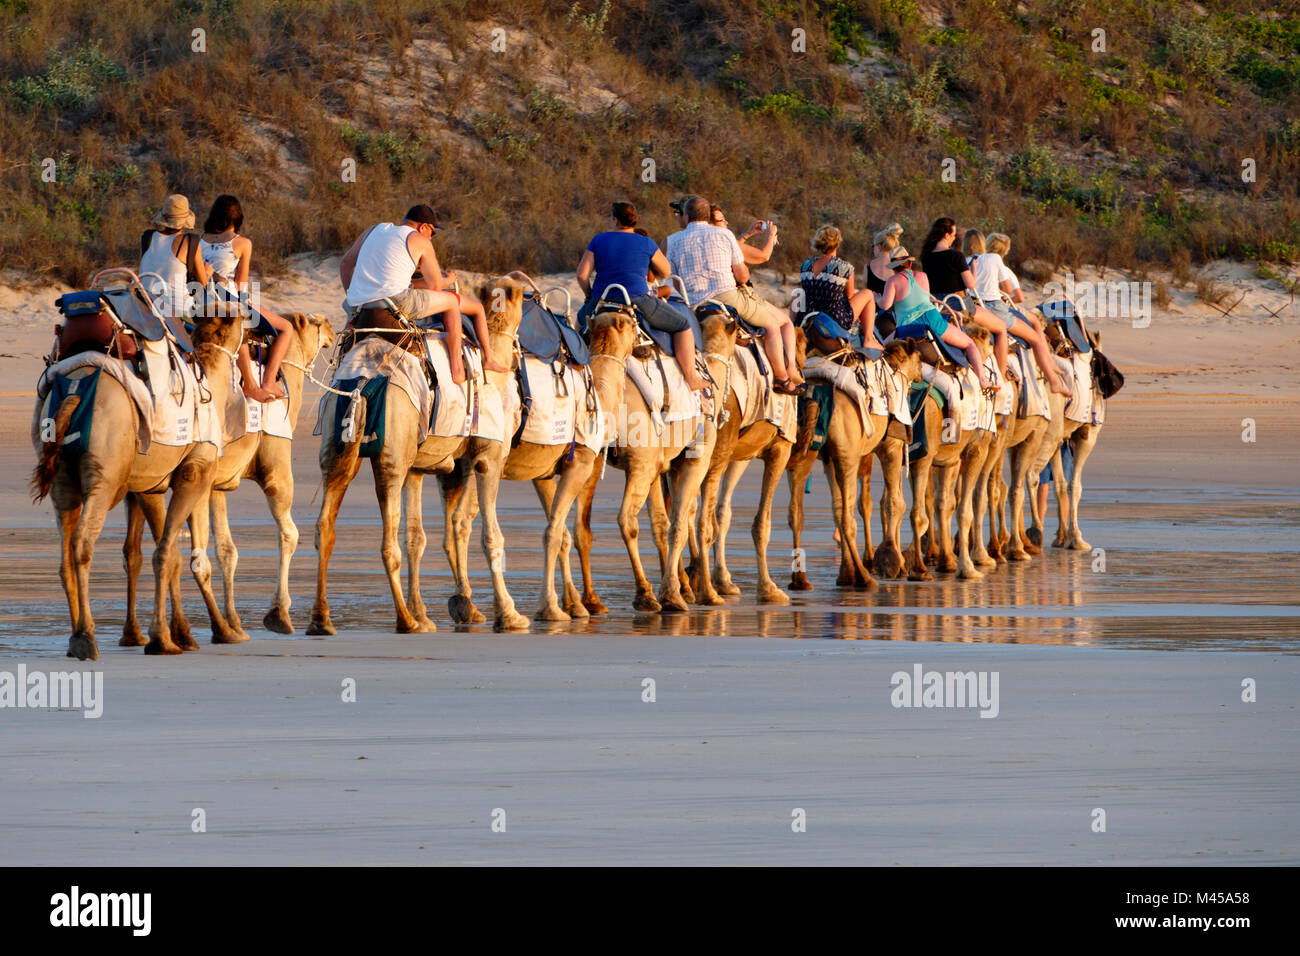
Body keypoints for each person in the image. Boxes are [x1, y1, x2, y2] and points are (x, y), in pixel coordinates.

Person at [339, 204, 504, 383]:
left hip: (359, 305)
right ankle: (460, 369)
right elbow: (435, 287)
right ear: (423, 227)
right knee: (451, 301)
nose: (431, 239)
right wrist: (449, 279)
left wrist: (354, 297)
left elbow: (345, 264)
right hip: (397, 302)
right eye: (432, 233)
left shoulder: (374, 229)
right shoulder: (419, 240)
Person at [665, 195, 804, 394]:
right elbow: (742, 274)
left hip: (693, 304)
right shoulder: (725, 235)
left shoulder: (672, 241)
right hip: (727, 297)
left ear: (686, 217)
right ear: (708, 216)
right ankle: (782, 378)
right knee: (773, 326)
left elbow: (673, 280)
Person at [920, 216, 1069, 396]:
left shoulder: (927, 257)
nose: (954, 237)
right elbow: (971, 285)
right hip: (961, 305)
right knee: (1000, 329)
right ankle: (1001, 374)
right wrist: (973, 268)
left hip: (939, 306)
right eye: (953, 233)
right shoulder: (955, 256)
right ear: (946, 233)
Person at [576, 202, 706, 390]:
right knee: (682, 326)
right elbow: (666, 271)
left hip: (602, 300)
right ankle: (692, 378)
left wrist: (590, 297)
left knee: (578, 326)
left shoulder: (599, 240)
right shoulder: (645, 242)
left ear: (614, 220)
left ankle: (576, 367)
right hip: (637, 300)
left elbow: (581, 275)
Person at [197, 195, 295, 402]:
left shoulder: (199, 240)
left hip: (199, 297)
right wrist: (247, 303)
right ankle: (263, 381)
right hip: (227, 299)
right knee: (286, 328)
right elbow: (241, 283)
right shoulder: (242, 243)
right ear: (238, 218)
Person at [964, 228, 1072, 398]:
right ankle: (1054, 381)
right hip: (995, 307)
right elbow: (1007, 289)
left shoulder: (965, 260)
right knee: (1035, 337)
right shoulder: (994, 258)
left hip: (974, 307)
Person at [877, 246, 990, 387]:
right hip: (931, 319)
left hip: (907, 327)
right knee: (969, 344)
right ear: (910, 263)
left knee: (880, 351)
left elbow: (885, 305)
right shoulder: (923, 276)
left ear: (893, 267)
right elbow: (924, 299)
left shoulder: (892, 281)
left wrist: (878, 298)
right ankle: (983, 379)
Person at [797, 224, 880, 349]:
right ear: (837, 244)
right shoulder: (844, 267)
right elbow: (849, 297)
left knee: (796, 294)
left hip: (809, 315)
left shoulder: (805, 265)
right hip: (834, 317)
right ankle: (868, 338)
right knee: (868, 293)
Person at [138, 194, 202, 318]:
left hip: (145, 303)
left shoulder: (148, 237)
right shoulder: (190, 242)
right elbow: (202, 283)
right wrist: (208, 270)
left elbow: (142, 272)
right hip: (178, 309)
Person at [710, 204, 777, 266]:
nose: (726, 222)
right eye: (722, 220)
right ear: (711, 224)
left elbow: (734, 248)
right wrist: (771, 235)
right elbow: (763, 256)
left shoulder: (708, 238)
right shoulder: (720, 239)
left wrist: (748, 233)